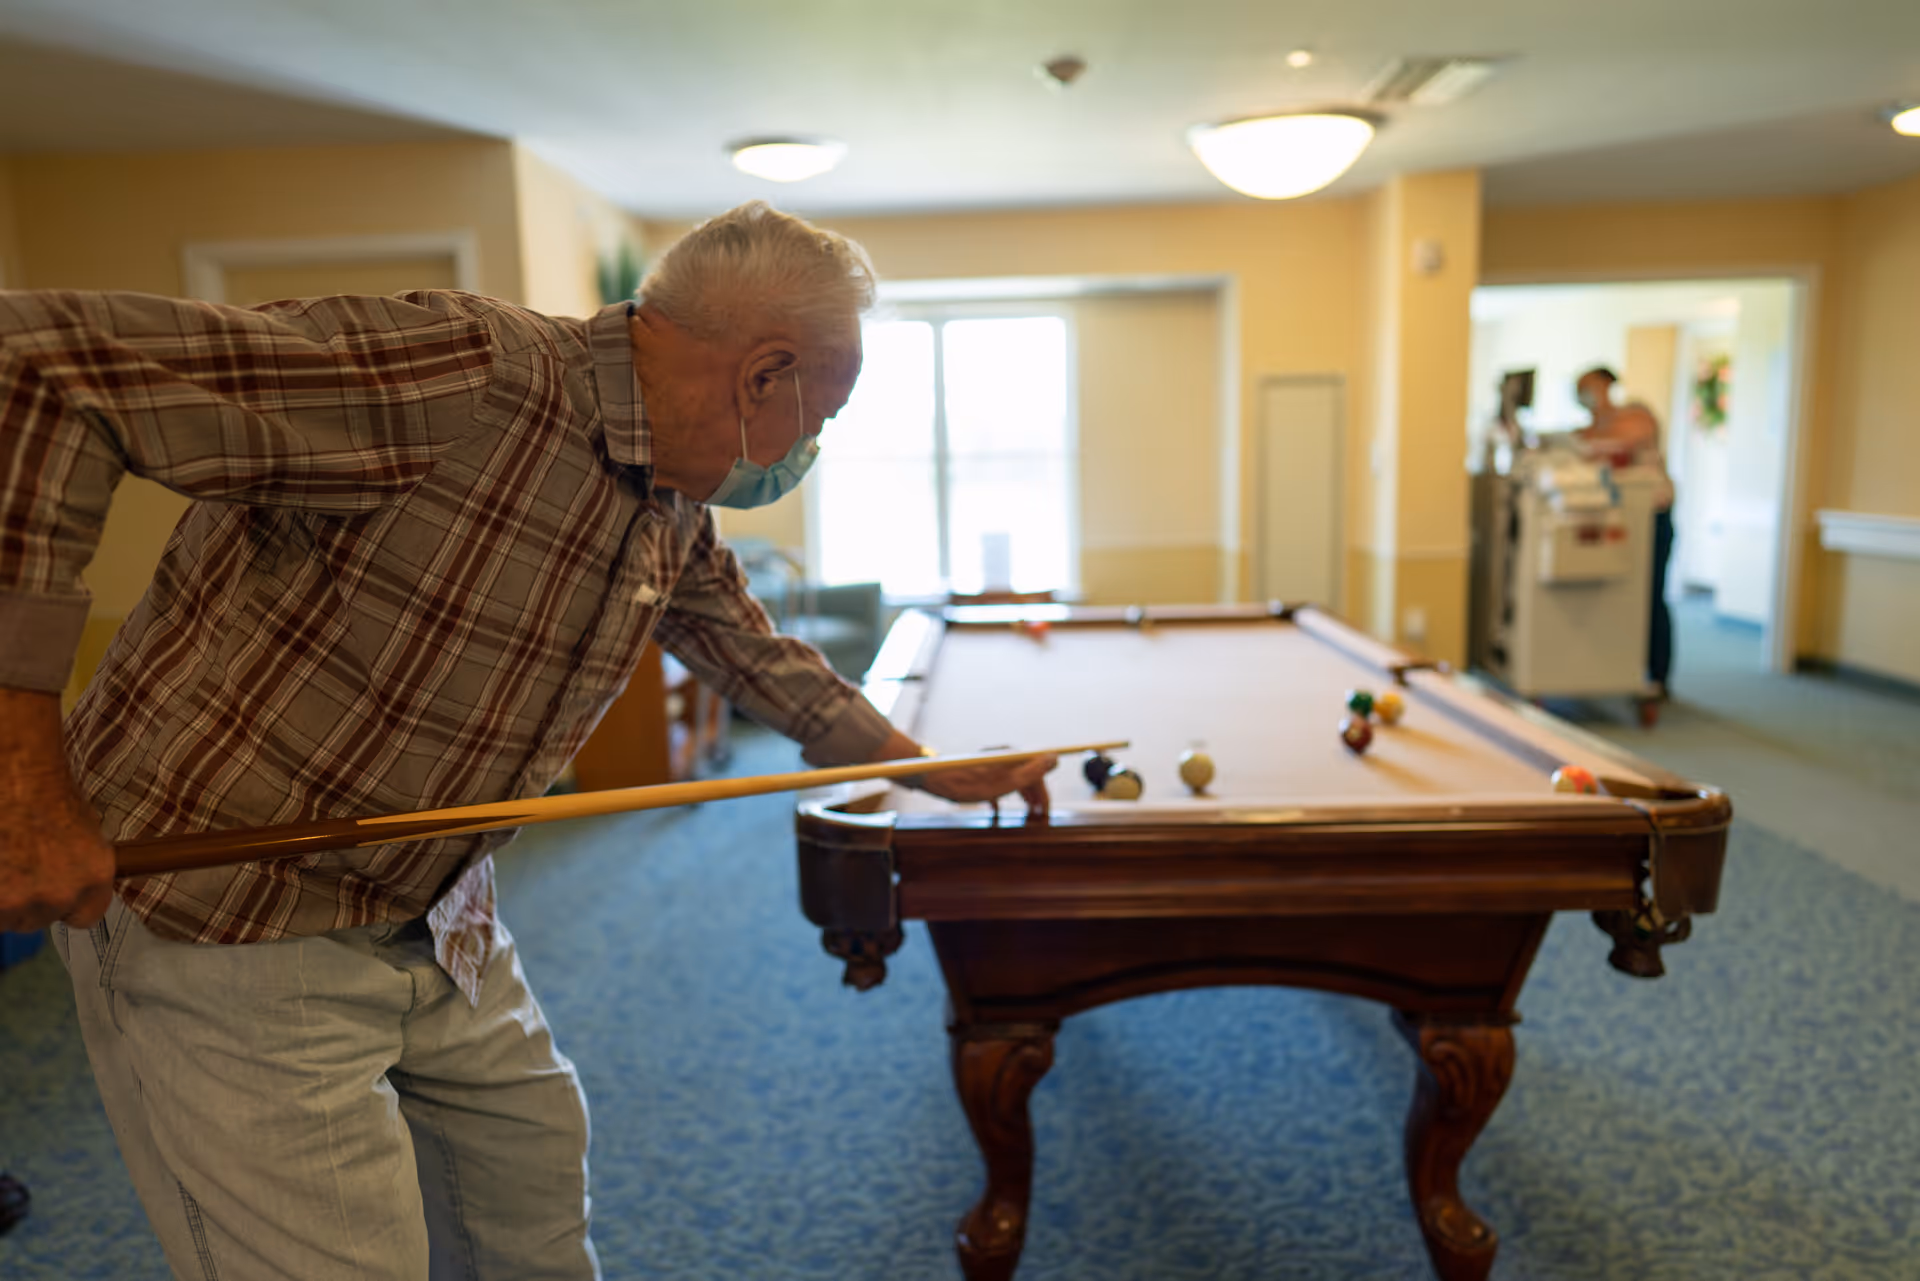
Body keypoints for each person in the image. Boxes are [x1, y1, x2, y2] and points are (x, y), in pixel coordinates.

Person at [0, 200, 1053, 1279]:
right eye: (822, 415)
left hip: (436, 911)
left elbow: (746, 647)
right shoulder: (461, 373)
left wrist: (920, 764)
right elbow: (38, 365)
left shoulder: (672, 495)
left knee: (531, 1214)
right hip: (230, 915)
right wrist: (23, 786)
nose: (809, 450)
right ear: (763, 376)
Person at [1571, 366, 1677, 698]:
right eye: (1580, 392)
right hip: (1620, 521)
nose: (1585, 397)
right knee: (1623, 598)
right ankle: (1620, 669)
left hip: (1653, 518)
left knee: (1651, 596)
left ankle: (1658, 678)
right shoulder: (1592, 427)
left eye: (1589, 389)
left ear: (1606, 385)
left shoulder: (1635, 415)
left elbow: (1620, 438)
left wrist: (1594, 425)